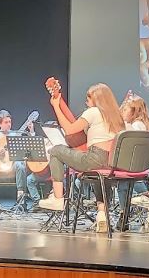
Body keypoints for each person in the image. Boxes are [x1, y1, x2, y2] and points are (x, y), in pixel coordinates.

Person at [39, 83, 124, 234]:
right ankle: (102, 214)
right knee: (100, 177)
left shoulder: (93, 112)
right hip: (113, 162)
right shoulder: (117, 116)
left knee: (56, 150)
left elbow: (70, 129)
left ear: (97, 99)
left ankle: (58, 198)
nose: (86, 102)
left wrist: (56, 106)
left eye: (88, 98)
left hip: (95, 157)